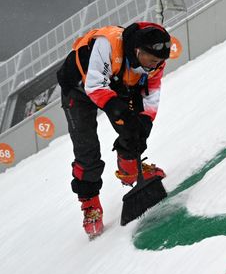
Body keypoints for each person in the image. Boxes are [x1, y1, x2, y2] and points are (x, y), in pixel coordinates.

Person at [55, 21, 171, 237]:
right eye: (153, 61)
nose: (157, 66)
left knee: (136, 131)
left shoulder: (155, 63)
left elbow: (151, 93)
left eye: (160, 62)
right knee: (86, 148)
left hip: (120, 83)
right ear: (138, 50)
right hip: (79, 89)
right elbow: (95, 86)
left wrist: (144, 121)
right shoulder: (108, 44)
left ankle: (129, 170)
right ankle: (90, 204)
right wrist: (118, 111)